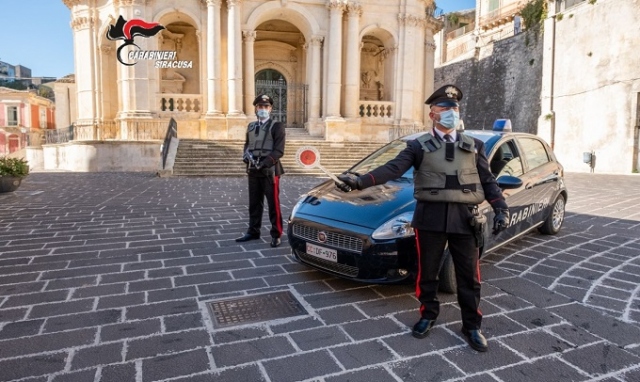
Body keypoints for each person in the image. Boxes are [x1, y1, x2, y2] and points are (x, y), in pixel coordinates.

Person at [336, 85, 510, 352]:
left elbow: (487, 180)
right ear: (432, 114)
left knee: (469, 277)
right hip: (430, 219)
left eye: (455, 108)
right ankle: (428, 315)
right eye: (445, 108)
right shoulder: (417, 146)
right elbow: (393, 168)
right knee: (427, 273)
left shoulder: (474, 146)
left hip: (466, 219)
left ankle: (472, 325)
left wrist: (500, 207)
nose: (451, 112)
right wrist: (360, 181)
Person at [235, 94, 286, 248]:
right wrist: (246, 156)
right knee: (254, 203)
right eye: (260, 107)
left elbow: (279, 150)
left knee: (273, 204)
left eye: (266, 107)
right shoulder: (251, 126)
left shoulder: (277, 126)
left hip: (270, 170)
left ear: (270, 109)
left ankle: (276, 234)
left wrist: (264, 163)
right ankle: (253, 231)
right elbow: (247, 145)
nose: (263, 109)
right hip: (253, 170)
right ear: (256, 108)